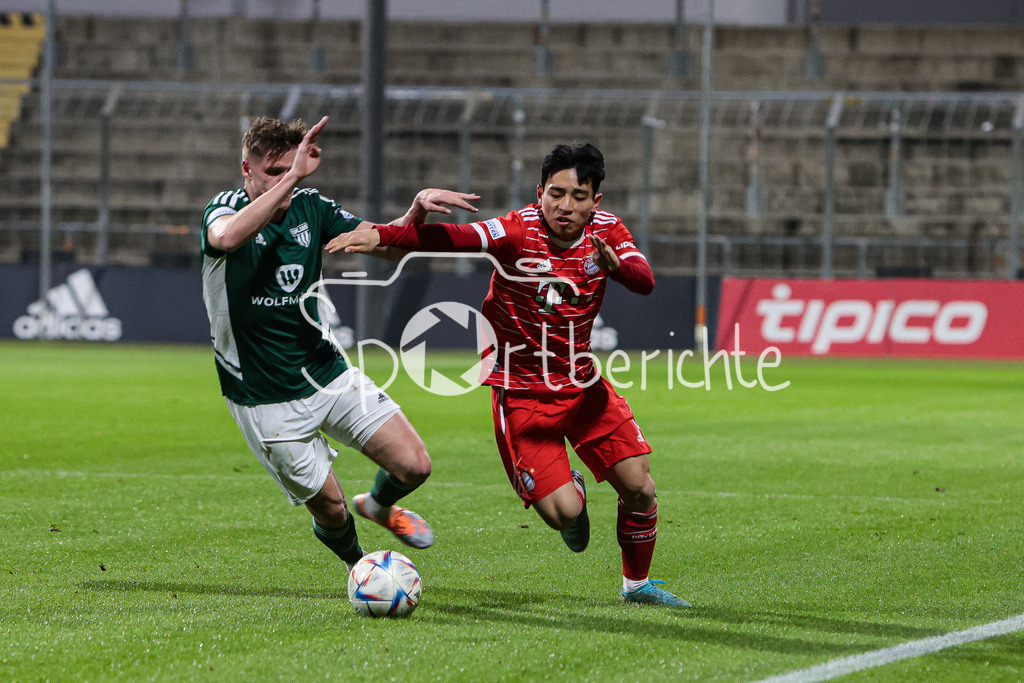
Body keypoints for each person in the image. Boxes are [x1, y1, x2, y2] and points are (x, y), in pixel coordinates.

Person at [326, 143, 690, 607]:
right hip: (523, 394)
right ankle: (568, 496)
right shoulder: (515, 231)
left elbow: (644, 278)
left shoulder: (607, 231)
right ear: (539, 192)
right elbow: (449, 238)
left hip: (583, 385)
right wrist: (380, 235)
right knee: (565, 518)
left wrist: (617, 267)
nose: (565, 205)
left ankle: (637, 586)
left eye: (579, 196)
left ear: (595, 202)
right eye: (555, 193)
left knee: (641, 487)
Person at [200, 115, 478, 572]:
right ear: (246, 170)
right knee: (330, 509)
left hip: (326, 373)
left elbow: (389, 246)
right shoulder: (222, 210)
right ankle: (362, 568)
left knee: (415, 466)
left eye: (292, 169)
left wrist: (416, 212)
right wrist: (293, 176)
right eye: (274, 172)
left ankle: (380, 506)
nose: (288, 183)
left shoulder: (312, 207)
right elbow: (228, 238)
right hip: (263, 397)